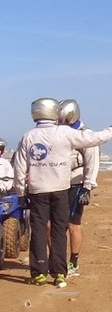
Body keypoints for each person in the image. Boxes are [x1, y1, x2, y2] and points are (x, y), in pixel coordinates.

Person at [12, 98, 112, 288]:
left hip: (37, 191)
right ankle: (59, 273)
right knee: (59, 231)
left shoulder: (28, 136)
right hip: (60, 190)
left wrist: (20, 192)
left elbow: (19, 166)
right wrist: (110, 130)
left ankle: (38, 273)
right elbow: (93, 139)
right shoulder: (65, 132)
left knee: (39, 231)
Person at [59, 98, 100, 277]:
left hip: (76, 184)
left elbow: (92, 162)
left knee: (73, 223)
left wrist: (87, 186)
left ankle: (73, 262)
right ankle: (57, 261)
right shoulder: (60, 133)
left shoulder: (85, 134)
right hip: (58, 183)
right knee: (53, 225)